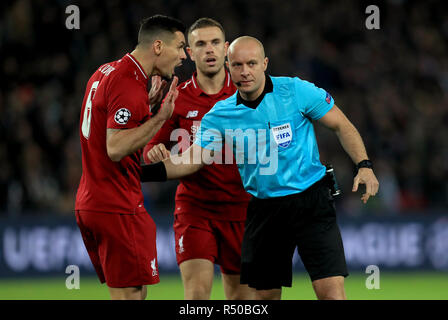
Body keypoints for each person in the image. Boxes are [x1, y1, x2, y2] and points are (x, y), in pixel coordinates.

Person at [140, 36, 379, 300]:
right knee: (264, 298)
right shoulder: (220, 115)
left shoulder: (296, 91)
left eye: (252, 63)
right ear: (228, 67)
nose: (245, 71)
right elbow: (192, 159)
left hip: (311, 202)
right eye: (238, 65)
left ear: (265, 63)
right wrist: (139, 173)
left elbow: (341, 125)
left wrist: (364, 165)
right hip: (264, 209)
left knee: (331, 293)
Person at [74, 15, 187, 300]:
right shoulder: (129, 83)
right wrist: (160, 117)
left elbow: (106, 126)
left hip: (94, 199)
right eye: (181, 47)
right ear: (158, 46)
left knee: (133, 293)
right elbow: (115, 147)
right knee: (130, 297)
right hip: (116, 205)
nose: (184, 56)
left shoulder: (106, 71)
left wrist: (144, 109)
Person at [142, 18, 254, 300]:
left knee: (240, 300)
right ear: (190, 53)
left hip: (243, 210)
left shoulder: (249, 93)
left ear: (226, 48)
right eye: (201, 44)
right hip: (195, 209)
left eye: (215, 42)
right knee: (196, 297)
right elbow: (151, 145)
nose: (209, 50)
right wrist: (153, 152)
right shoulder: (177, 98)